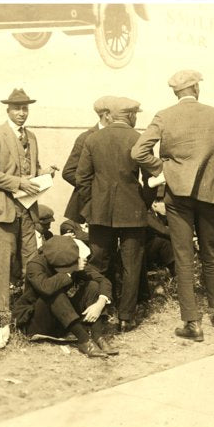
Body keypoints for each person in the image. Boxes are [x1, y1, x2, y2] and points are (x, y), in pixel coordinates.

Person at [131, 69, 214, 342]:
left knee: (183, 258)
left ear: (175, 92)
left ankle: (192, 323)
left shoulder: (164, 116)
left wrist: (166, 171)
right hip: (208, 195)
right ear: (196, 89)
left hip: (177, 197)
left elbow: (138, 152)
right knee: (210, 253)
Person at [0, 87, 51, 328]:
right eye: (17, 108)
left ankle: (30, 312)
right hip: (3, 209)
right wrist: (18, 183)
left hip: (28, 209)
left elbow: (31, 170)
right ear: (8, 110)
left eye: (25, 108)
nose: (22, 113)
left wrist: (44, 174)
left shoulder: (32, 137)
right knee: (5, 261)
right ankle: (1, 316)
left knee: (31, 259)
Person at [76, 96, 148, 333]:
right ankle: (126, 317)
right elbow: (150, 180)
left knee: (98, 264)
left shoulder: (93, 139)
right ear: (129, 115)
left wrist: (90, 208)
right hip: (133, 213)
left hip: (100, 213)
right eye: (135, 114)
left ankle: (99, 311)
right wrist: (143, 204)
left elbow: (82, 179)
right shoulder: (138, 138)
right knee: (132, 265)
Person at [12, 235, 117, 359]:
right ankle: (84, 340)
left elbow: (103, 281)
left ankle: (98, 336)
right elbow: (45, 288)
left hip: (62, 320)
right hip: (37, 322)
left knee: (92, 286)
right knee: (54, 292)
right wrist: (71, 270)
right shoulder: (35, 265)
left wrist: (100, 304)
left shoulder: (71, 258)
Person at [61, 96, 114, 222]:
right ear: (107, 115)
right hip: (86, 207)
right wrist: (95, 190)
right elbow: (68, 172)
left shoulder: (116, 137)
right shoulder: (86, 137)